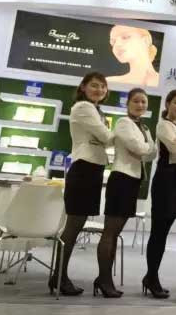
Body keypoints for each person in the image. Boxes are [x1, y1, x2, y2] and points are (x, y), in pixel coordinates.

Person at [50, 72, 114, 296]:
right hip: (84, 169)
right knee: (73, 226)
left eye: (103, 87)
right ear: (83, 87)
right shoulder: (84, 107)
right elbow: (106, 137)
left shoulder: (95, 109)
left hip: (92, 168)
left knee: (76, 225)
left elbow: (103, 137)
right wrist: (123, 133)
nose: (99, 90)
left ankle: (58, 276)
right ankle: (59, 277)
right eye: (94, 85)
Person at [95, 88, 158, 298]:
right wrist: (146, 147)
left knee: (115, 232)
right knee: (110, 232)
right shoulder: (123, 123)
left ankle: (103, 278)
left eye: (143, 102)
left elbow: (151, 154)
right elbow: (140, 149)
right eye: (136, 101)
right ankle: (104, 279)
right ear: (127, 103)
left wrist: (145, 147)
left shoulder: (144, 127)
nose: (140, 105)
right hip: (121, 179)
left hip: (132, 181)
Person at [143, 89, 176, 299]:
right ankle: (152, 277)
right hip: (165, 178)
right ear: (167, 104)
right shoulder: (163, 125)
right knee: (158, 230)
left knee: (164, 230)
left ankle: (151, 276)